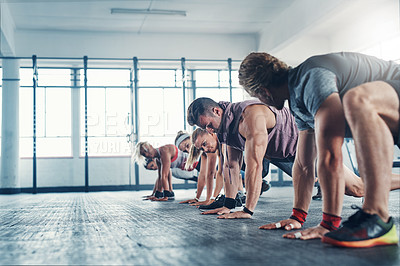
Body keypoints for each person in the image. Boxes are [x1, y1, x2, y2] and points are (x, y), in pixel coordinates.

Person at [238, 51, 400, 247]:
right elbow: (304, 164)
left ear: (264, 92)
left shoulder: (311, 79)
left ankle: (377, 217)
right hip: (392, 116)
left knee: (356, 99)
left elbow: (330, 156)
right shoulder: (298, 103)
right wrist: (297, 216)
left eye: (256, 97)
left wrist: (328, 224)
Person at [187, 97, 356, 218]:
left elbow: (255, 166)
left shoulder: (250, 116)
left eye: (209, 125)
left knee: (353, 189)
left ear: (217, 111)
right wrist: (228, 205)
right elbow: (231, 166)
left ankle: (377, 195)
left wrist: (247, 210)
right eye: (205, 128)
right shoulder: (224, 129)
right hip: (282, 155)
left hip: (308, 143)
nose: (209, 131)